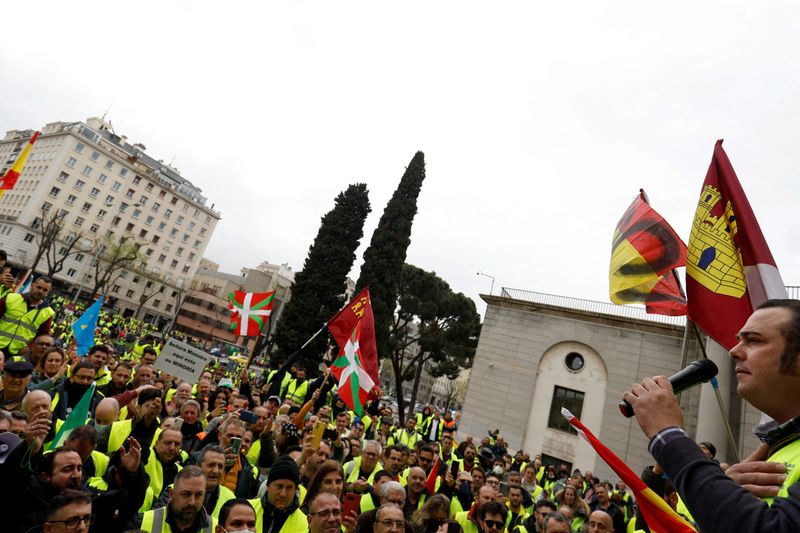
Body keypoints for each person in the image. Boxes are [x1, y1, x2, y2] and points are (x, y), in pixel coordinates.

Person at [623, 298, 800, 532]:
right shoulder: (780, 446)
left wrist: (668, 435)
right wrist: (723, 496)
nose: (734, 351)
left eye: (754, 340)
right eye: (739, 341)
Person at [134, 465, 216, 532]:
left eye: (198, 495)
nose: (192, 502)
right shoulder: (141, 522)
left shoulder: (216, 529)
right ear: (171, 494)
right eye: (186, 494)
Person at [247, 456, 307, 532]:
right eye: (279, 486)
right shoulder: (246, 509)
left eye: (289, 488)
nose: (283, 494)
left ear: (295, 490)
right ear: (268, 486)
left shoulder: (305, 524)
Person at [0, 276, 55, 356]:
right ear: (32, 285)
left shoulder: (48, 312)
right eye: (38, 287)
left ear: (48, 292)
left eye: (45, 290)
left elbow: (42, 337)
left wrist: (29, 348)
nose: (40, 291)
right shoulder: (11, 298)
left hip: (18, 354)